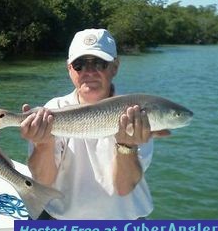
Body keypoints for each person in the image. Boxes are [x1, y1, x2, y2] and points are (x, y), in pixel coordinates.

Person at [20, 28, 169, 219]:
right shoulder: (52, 110)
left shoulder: (135, 113)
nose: (89, 72)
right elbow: (44, 181)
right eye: (79, 64)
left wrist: (126, 146)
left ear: (115, 67)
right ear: (69, 69)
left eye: (99, 63)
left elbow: (124, 188)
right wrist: (43, 144)